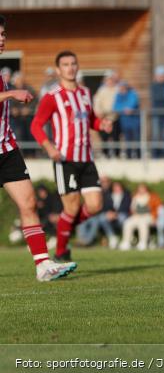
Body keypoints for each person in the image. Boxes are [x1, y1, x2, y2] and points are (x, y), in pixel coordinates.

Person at [0, 19, 74, 281]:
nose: (2, 39)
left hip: (6, 149)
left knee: (29, 203)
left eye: (3, 34)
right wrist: (11, 94)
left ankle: (43, 265)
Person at [30, 50, 114, 264]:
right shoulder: (52, 97)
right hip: (64, 159)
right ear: (58, 70)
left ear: (77, 67)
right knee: (72, 207)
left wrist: (101, 124)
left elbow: (91, 120)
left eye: (73, 63)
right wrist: (49, 147)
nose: (70, 67)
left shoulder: (85, 93)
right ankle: (60, 252)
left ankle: (62, 230)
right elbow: (36, 125)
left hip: (86, 158)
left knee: (95, 206)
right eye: (65, 64)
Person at [119, 183, 161, 251]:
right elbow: (132, 209)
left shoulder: (153, 196)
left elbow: (158, 208)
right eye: (140, 188)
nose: (141, 190)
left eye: (143, 188)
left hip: (149, 216)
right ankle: (126, 242)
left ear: (146, 189)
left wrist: (156, 218)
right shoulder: (135, 197)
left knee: (142, 223)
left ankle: (143, 243)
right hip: (137, 216)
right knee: (127, 223)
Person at [93, 71, 120, 157]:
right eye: (108, 80)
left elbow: (120, 102)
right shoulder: (102, 90)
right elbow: (97, 102)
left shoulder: (117, 89)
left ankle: (116, 154)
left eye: (111, 79)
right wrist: (98, 112)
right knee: (104, 136)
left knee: (115, 136)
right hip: (104, 118)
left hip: (114, 117)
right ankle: (105, 153)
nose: (109, 81)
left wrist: (116, 111)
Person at [113, 80, 141, 159]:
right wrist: (125, 109)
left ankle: (139, 156)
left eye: (123, 87)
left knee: (137, 138)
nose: (122, 89)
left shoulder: (132, 94)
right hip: (125, 122)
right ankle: (128, 156)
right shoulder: (118, 95)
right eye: (120, 87)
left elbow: (132, 104)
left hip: (134, 121)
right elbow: (115, 107)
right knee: (127, 139)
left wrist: (124, 108)